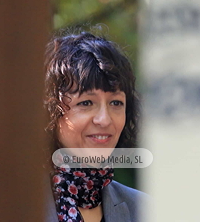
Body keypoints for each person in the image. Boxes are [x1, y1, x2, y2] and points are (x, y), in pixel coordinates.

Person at [44, 31, 146, 222]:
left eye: (116, 103)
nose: (104, 120)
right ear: (51, 112)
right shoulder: (10, 205)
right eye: (86, 103)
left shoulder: (146, 210)